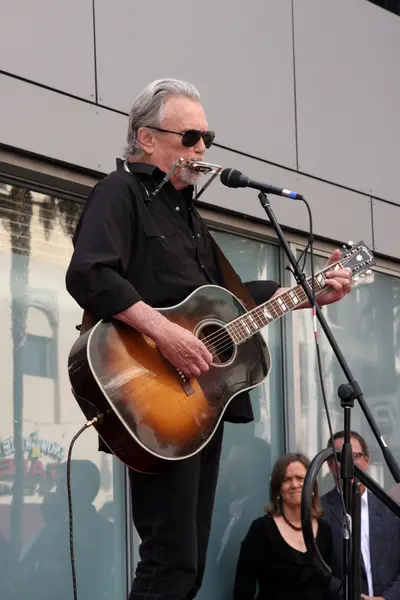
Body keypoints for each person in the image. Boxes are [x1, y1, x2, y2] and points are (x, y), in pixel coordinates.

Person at [66, 78, 352, 600]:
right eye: (191, 135)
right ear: (147, 138)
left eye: (208, 137)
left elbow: (231, 299)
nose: (202, 149)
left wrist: (311, 292)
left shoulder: (188, 216)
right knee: (169, 560)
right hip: (150, 394)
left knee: (189, 562)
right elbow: (89, 274)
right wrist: (165, 334)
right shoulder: (119, 193)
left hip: (197, 405)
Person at [233, 452, 333, 600]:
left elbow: (333, 585)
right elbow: (243, 590)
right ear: (277, 489)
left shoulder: (325, 530)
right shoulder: (261, 529)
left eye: (300, 478)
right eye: (287, 479)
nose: (294, 485)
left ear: (312, 486)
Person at [322, 430, 400, 600]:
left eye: (355, 456)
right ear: (329, 465)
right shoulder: (319, 512)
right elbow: (318, 569)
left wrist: (388, 598)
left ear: (366, 460)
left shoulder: (390, 508)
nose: (347, 463)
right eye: (339, 458)